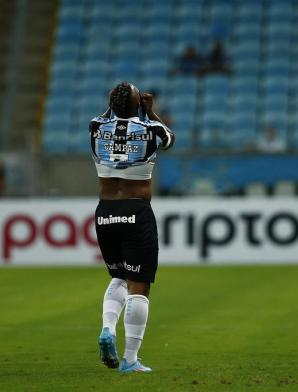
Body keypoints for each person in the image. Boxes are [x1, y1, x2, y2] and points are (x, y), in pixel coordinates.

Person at [89, 82, 175, 373]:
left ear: (111, 104)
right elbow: (170, 140)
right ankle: (129, 360)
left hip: (104, 212)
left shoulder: (96, 127)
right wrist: (150, 113)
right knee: (139, 287)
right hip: (136, 211)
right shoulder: (151, 128)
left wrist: (121, 102)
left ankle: (107, 328)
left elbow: (106, 115)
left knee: (118, 277)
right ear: (140, 104)